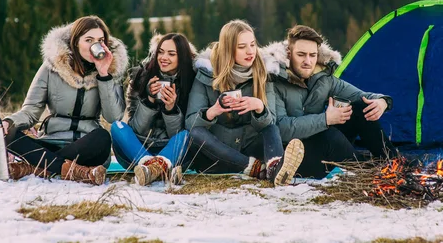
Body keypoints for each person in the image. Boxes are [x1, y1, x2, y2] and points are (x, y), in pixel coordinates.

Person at [0, 16, 128, 185]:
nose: (94, 46)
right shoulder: (52, 67)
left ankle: (36, 167)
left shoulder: (110, 72)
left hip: (86, 147)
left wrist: (104, 74)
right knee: (8, 134)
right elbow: (31, 111)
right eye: (89, 40)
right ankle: (72, 170)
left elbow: (113, 117)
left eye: (100, 40)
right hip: (51, 142)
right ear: (75, 42)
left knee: (103, 137)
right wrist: (9, 122)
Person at [264, 25, 397, 179]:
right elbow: (281, 130)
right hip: (293, 157)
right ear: (289, 54)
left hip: (323, 141)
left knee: (360, 107)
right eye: (301, 55)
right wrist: (326, 119)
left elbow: (362, 96)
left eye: (312, 55)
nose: (308, 61)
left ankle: (393, 162)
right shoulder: (273, 81)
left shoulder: (322, 78)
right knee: (330, 136)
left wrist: (383, 102)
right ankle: (369, 171)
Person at [185, 20, 304, 186]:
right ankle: (254, 168)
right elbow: (190, 124)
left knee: (271, 128)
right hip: (217, 156)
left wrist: (259, 108)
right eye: (242, 47)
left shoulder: (263, 73)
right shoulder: (206, 74)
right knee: (195, 134)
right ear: (228, 49)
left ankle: (275, 168)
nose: (250, 52)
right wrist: (213, 111)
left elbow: (271, 122)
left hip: (250, 147)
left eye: (252, 44)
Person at [110, 33, 196, 186]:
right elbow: (137, 128)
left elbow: (176, 135)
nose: (164, 57)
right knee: (117, 126)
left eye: (171, 54)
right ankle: (155, 166)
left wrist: (170, 109)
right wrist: (149, 101)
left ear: (181, 57)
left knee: (186, 135)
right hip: (138, 148)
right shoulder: (141, 76)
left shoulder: (191, 81)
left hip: (171, 149)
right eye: (161, 52)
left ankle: (151, 169)